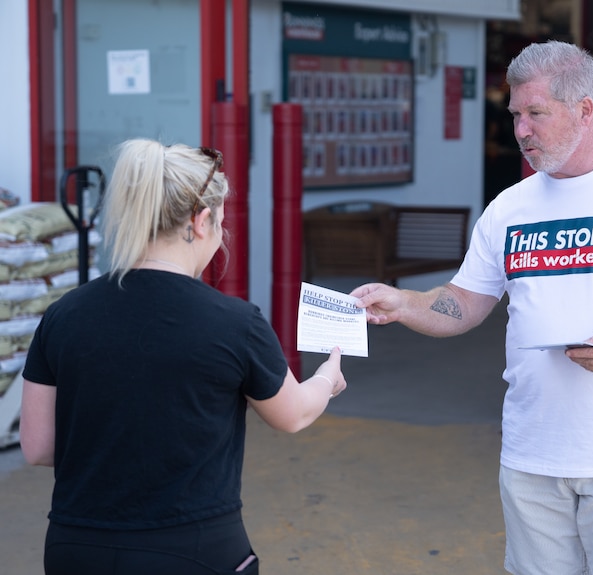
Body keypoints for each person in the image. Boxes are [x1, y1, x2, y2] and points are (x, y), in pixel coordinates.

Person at [351, 40, 593, 575]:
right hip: (532, 459)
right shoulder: (511, 207)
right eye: (515, 115)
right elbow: (464, 302)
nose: (521, 130)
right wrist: (406, 302)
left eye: (536, 114)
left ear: (584, 110)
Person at [19, 139, 347, 575]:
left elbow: (38, 447)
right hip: (193, 549)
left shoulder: (63, 314)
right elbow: (293, 415)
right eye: (221, 225)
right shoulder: (236, 322)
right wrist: (327, 376)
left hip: (76, 547)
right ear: (201, 220)